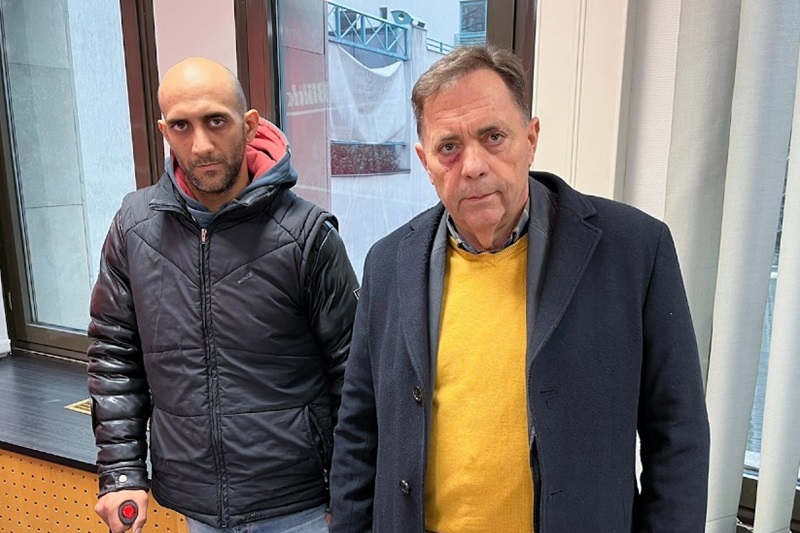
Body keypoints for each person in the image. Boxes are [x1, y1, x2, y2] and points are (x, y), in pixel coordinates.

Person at [328, 45, 710, 532]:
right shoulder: (387, 265)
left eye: (493, 137)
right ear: (425, 161)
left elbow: (678, 434)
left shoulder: (633, 250)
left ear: (530, 140)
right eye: (449, 147)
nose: (472, 165)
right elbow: (358, 433)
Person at [88, 57, 359, 533]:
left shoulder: (307, 235)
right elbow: (114, 355)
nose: (201, 144)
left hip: (302, 506)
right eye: (181, 126)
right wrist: (122, 472)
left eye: (216, 120)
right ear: (164, 131)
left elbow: (353, 372)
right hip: (198, 505)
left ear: (249, 125)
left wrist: (351, 494)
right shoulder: (134, 228)